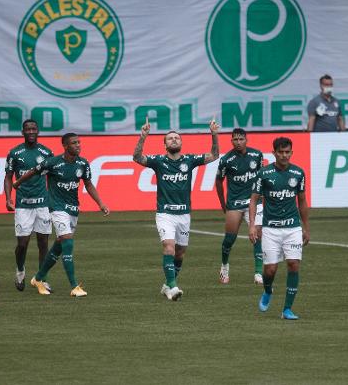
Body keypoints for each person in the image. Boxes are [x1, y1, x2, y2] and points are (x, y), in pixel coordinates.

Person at [13, 133, 110, 297]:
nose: (78, 145)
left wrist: (100, 203)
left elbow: (88, 184)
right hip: (56, 208)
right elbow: (33, 171)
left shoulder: (83, 164)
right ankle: (74, 286)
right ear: (65, 146)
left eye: (79, 142)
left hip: (73, 209)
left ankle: (38, 278)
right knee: (67, 242)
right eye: (74, 143)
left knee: (59, 244)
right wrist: (17, 183)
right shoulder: (53, 162)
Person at [133, 117, 220, 301]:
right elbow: (137, 158)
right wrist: (143, 136)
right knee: (169, 247)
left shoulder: (189, 160)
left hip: (184, 214)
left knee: (180, 253)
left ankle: (167, 284)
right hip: (165, 213)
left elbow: (214, 156)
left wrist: (214, 135)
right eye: (170, 138)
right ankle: (173, 287)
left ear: (181, 142)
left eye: (177, 138)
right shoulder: (158, 161)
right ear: (164, 144)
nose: (174, 140)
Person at [248, 137, 310, 320]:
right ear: (274, 153)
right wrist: (252, 225)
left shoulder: (298, 173)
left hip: (292, 228)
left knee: (293, 265)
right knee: (270, 270)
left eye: (287, 152)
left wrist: (306, 227)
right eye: (281, 152)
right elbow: (253, 200)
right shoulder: (264, 174)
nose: (284, 155)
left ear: (291, 152)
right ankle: (268, 291)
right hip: (270, 229)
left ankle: (287, 309)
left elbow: (303, 201)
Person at [4, 119, 54, 292]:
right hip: (23, 205)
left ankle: (42, 279)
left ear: (38, 131)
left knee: (43, 243)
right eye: (28, 129)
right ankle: (20, 270)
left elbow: (53, 177)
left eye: (34, 128)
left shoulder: (46, 152)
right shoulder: (15, 153)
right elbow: (9, 176)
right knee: (22, 244)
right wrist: (8, 198)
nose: (31, 131)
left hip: (42, 204)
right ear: (22, 132)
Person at [215, 128, 264, 285]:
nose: (238, 142)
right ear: (231, 141)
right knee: (229, 239)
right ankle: (224, 266)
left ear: (246, 139)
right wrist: (223, 204)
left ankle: (258, 273)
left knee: (257, 235)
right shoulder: (226, 160)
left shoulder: (257, 155)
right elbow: (218, 182)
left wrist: (264, 197)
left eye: (241, 139)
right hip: (234, 203)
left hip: (254, 202)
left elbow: (262, 178)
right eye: (235, 139)